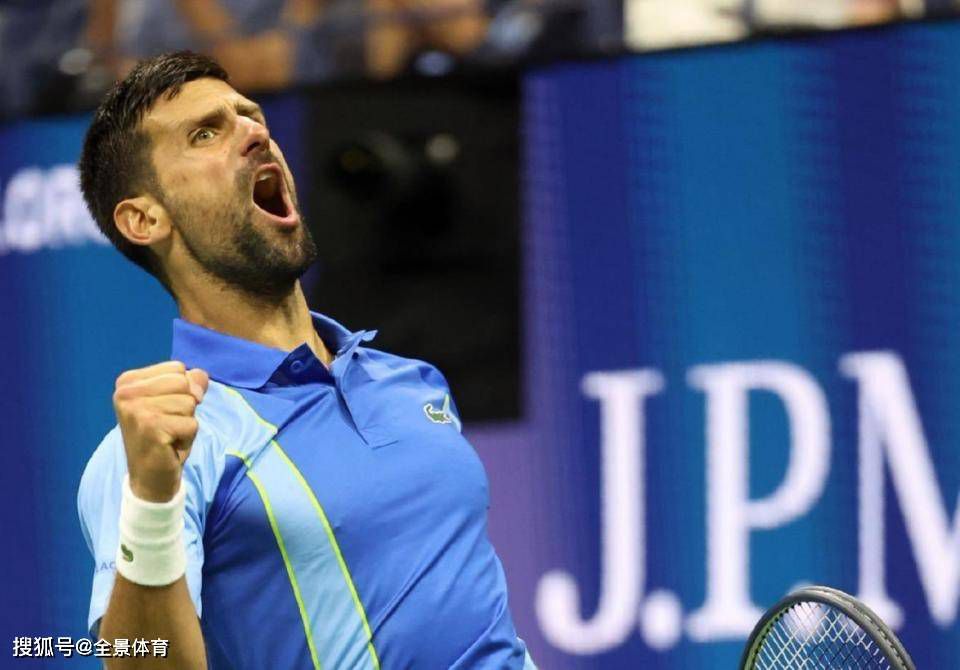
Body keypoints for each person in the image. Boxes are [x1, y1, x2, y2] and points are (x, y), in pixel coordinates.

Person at [76, 51, 536, 669]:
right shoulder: (159, 454)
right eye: (206, 132)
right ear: (143, 218)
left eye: (251, 115)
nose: (254, 132)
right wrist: (154, 499)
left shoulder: (410, 382)